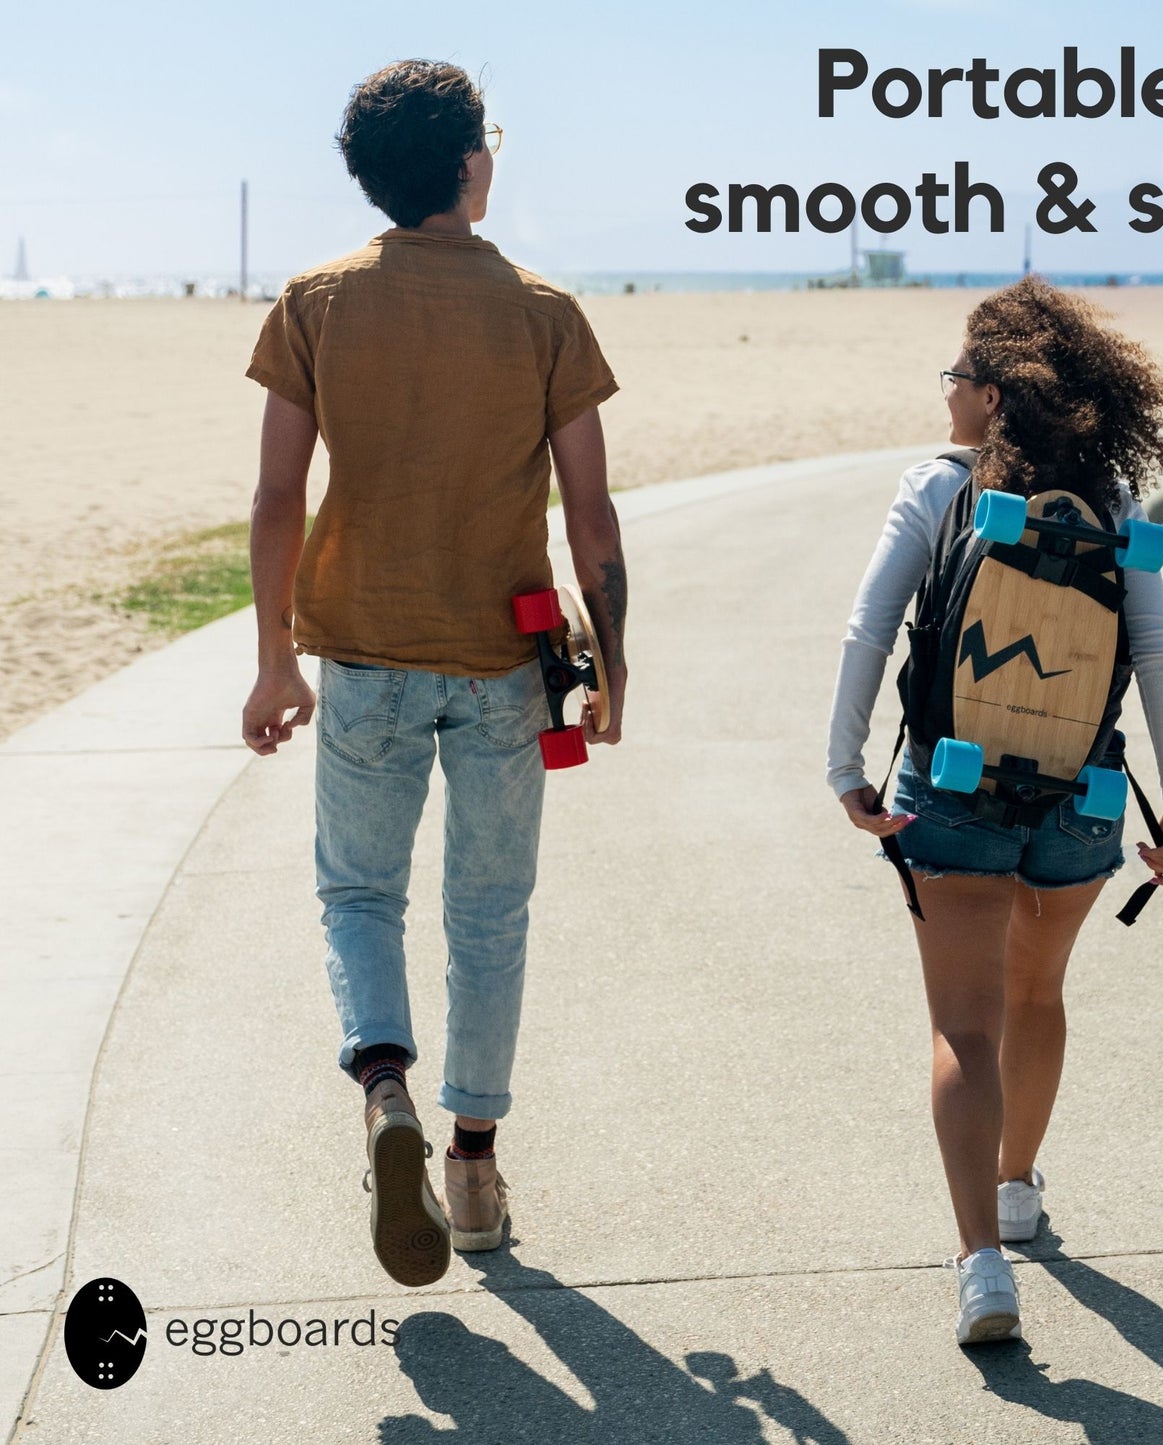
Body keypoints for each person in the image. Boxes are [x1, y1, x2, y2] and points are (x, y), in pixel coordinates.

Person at [240, 60, 627, 1287]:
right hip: (502, 665)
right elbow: (592, 513)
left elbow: (273, 497)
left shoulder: (315, 301)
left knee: (359, 895)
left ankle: (381, 1079)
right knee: (487, 914)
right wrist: (613, 664)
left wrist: (269, 664)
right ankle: (468, 1165)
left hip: (359, 652)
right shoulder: (542, 310)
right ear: (470, 163)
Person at [826, 276, 1163, 1345]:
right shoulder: (1117, 506)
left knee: (962, 1022)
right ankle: (1020, 1181)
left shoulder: (935, 486)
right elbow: (1158, 655)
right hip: (1079, 797)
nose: (946, 392)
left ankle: (982, 1261)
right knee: (1037, 994)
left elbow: (868, 628)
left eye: (957, 374)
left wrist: (841, 763)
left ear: (992, 395)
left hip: (949, 788)